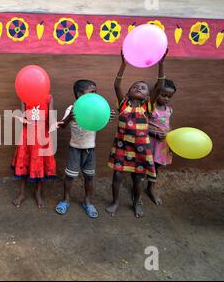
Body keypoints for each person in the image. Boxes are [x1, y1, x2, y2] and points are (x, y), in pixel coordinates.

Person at [106, 50, 167, 218]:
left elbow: (159, 87)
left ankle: (136, 202)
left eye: (143, 88)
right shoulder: (123, 104)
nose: (139, 88)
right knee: (117, 175)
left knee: (138, 178)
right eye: (135, 87)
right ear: (128, 92)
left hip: (141, 149)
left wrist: (161, 64)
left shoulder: (147, 106)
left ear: (148, 96)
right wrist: (123, 65)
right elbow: (117, 86)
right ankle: (115, 202)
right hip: (122, 146)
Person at [53, 80, 114, 218]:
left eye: (95, 92)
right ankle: (65, 200)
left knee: (89, 176)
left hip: (90, 149)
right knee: (70, 176)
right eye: (91, 92)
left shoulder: (95, 108)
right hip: (75, 148)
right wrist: (69, 118)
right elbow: (61, 126)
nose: (95, 95)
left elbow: (99, 122)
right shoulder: (72, 108)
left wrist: (107, 117)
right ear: (80, 94)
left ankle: (87, 202)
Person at [11, 94, 57, 208]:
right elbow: (23, 117)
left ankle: (38, 192)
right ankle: (21, 193)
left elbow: (51, 118)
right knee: (24, 163)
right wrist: (23, 118)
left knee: (40, 163)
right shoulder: (24, 97)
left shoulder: (48, 98)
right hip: (27, 135)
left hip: (42, 136)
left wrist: (53, 121)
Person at [145, 79, 177, 205]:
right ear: (155, 92)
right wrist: (153, 133)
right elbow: (141, 125)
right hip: (149, 142)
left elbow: (168, 126)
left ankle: (150, 188)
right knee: (144, 165)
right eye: (163, 95)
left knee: (155, 167)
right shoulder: (150, 108)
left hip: (162, 145)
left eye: (169, 96)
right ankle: (136, 190)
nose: (166, 98)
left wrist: (172, 137)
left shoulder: (169, 110)